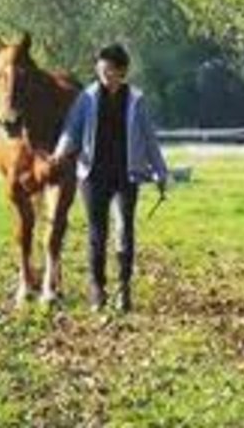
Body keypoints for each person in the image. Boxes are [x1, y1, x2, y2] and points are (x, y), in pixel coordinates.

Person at [49, 43, 169, 313]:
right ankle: (97, 287)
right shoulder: (87, 98)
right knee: (97, 232)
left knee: (125, 229)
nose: (105, 75)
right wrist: (60, 152)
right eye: (101, 70)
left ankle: (124, 288)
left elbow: (149, 138)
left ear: (122, 71)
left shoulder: (136, 100)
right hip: (93, 174)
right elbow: (72, 130)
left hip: (127, 173)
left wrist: (160, 171)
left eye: (110, 71)